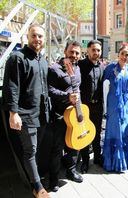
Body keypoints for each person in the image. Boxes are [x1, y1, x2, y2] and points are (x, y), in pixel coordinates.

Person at [2, 24, 50, 198]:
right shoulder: (17, 57)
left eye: (40, 36)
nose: (37, 39)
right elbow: (11, 87)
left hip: (42, 114)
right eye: (34, 35)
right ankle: (38, 187)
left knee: (35, 151)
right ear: (27, 37)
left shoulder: (42, 60)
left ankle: (33, 179)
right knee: (30, 151)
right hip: (25, 114)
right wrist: (13, 113)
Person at [47, 40, 83, 191]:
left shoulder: (77, 68)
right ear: (65, 52)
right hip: (60, 115)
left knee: (74, 145)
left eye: (77, 53)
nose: (74, 55)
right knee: (58, 148)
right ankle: (54, 179)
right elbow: (49, 89)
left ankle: (71, 170)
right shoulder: (55, 69)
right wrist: (67, 96)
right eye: (71, 52)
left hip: (75, 114)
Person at [102, 43, 128, 172]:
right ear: (118, 55)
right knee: (115, 129)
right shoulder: (110, 68)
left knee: (125, 129)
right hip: (113, 105)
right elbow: (103, 86)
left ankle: (127, 159)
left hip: (126, 105)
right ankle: (114, 160)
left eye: (127, 54)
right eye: (122, 54)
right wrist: (105, 108)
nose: (125, 56)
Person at [78, 40, 104, 173]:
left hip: (98, 107)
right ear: (87, 50)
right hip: (84, 107)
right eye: (93, 50)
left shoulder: (101, 66)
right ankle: (85, 162)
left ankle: (98, 158)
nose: (96, 53)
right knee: (84, 134)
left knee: (97, 133)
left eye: (98, 50)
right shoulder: (80, 65)